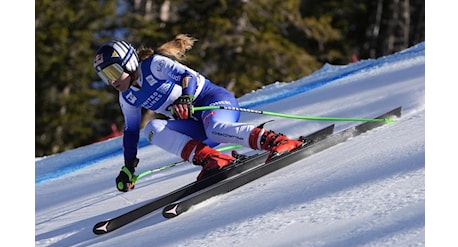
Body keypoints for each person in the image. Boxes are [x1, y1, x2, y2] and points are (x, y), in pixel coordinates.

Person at [93, 34, 303, 192]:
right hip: (195, 123)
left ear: (129, 62)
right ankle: (214, 161)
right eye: (105, 76)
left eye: (113, 72)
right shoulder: (127, 97)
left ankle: (277, 142)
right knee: (152, 129)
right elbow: (131, 133)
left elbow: (188, 76)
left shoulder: (154, 65)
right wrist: (129, 166)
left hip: (213, 101)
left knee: (215, 129)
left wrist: (186, 97)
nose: (112, 81)